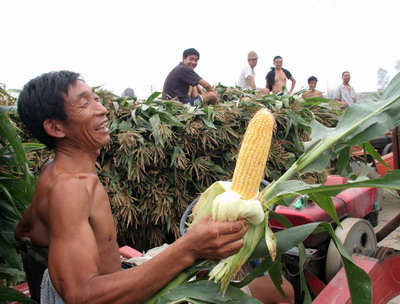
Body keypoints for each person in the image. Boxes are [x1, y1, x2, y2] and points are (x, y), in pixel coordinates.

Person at [15, 70, 294, 304]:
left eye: (96, 98)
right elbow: (81, 296)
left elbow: (24, 231)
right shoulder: (71, 187)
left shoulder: (53, 171)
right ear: (55, 128)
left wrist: (104, 253)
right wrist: (189, 248)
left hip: (113, 274)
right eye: (84, 103)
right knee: (281, 292)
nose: (102, 109)